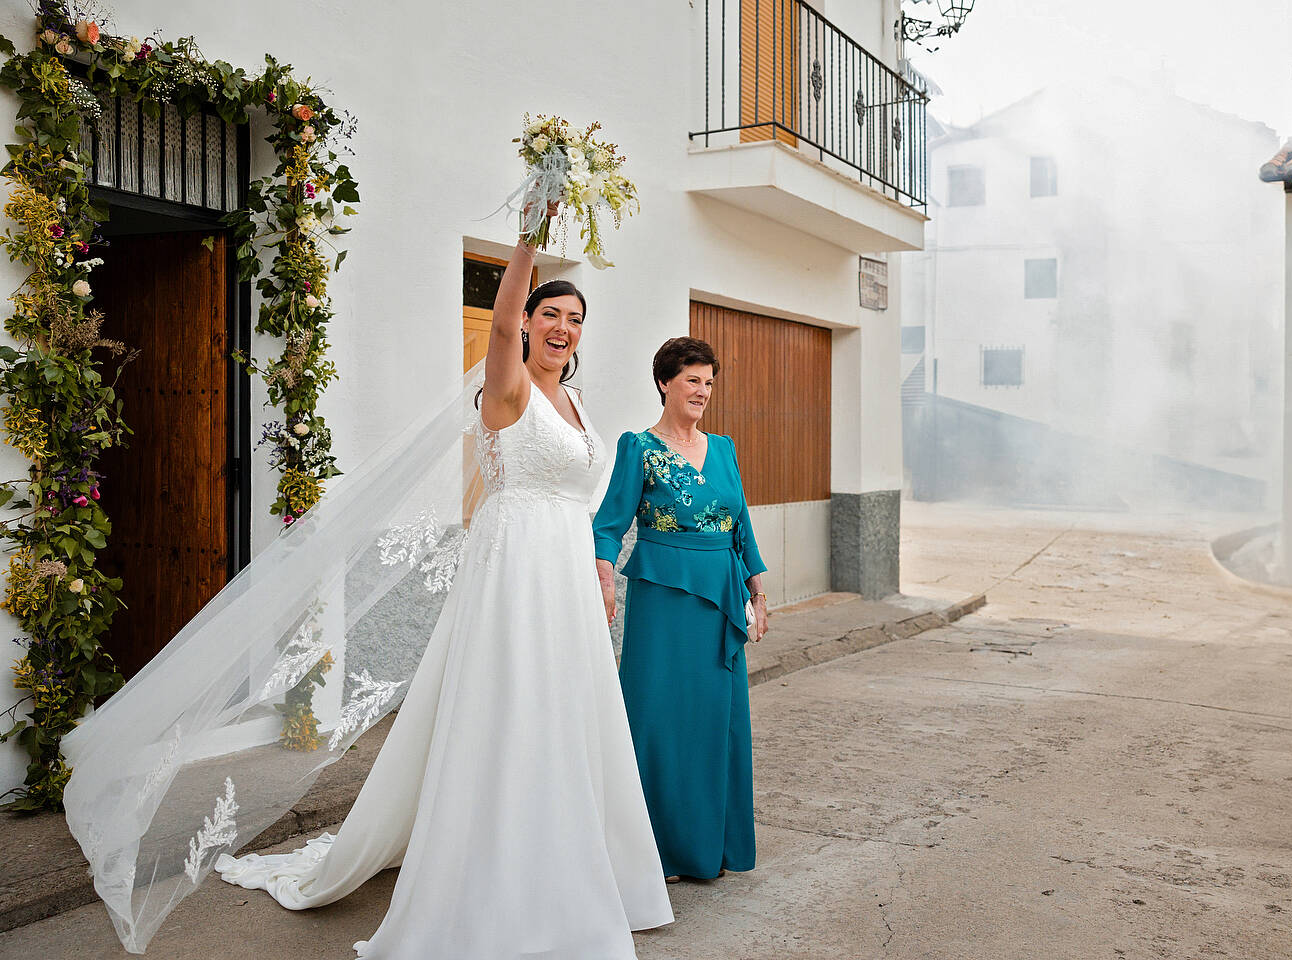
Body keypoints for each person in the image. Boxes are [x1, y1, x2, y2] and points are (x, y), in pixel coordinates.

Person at [64, 207, 674, 956]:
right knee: (515, 706)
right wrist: (527, 237)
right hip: (513, 568)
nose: (561, 327)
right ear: (525, 323)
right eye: (550, 312)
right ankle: (505, 867)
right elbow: (504, 313)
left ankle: (584, 860)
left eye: (574, 318)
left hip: (565, 572)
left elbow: (583, 494)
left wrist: (599, 571)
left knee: (572, 710)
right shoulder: (504, 385)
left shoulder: (579, 404)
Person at [592, 336, 768, 883]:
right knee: (657, 718)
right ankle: (655, 850)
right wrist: (603, 578)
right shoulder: (637, 447)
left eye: (709, 382)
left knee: (716, 720)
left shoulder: (725, 449)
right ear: (665, 382)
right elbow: (607, 524)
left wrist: (757, 593)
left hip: (720, 599)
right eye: (693, 380)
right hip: (662, 601)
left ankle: (709, 845)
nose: (702, 391)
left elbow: (741, 527)